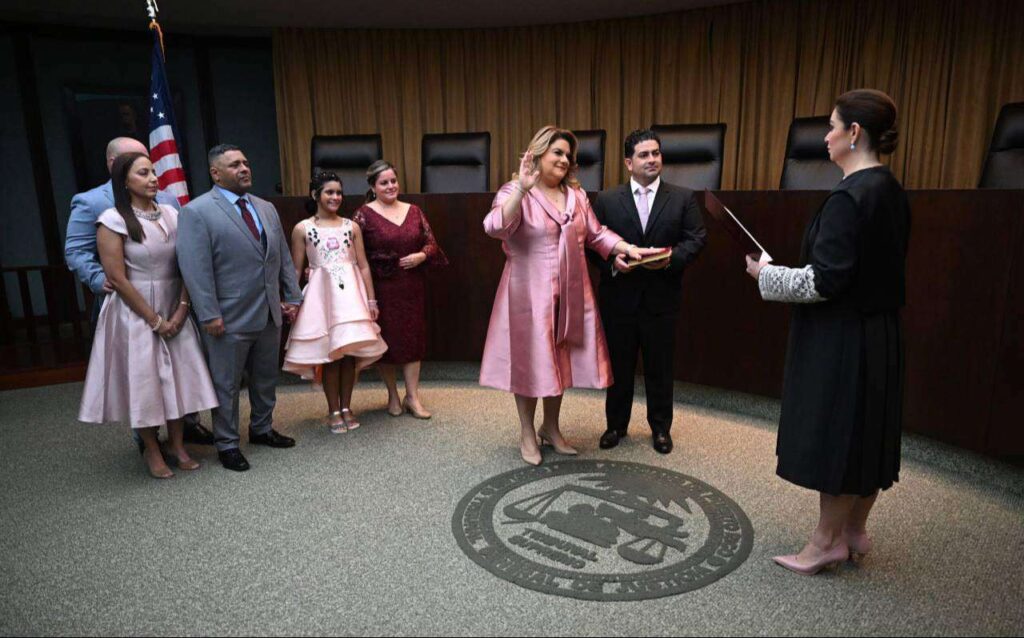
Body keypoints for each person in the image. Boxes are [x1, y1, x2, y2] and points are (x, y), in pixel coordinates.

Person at [745, 89, 910, 575]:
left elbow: (824, 282)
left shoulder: (848, 197)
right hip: (880, 333)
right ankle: (854, 530)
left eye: (832, 126)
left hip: (843, 338)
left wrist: (765, 275)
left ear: (854, 133)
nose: (825, 136)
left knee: (839, 435)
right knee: (868, 433)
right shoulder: (890, 189)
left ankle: (823, 544)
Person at [480, 125, 658, 465]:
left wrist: (626, 247)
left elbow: (596, 234)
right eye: (557, 152)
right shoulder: (516, 190)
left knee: (560, 361)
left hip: (571, 292)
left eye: (568, 155)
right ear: (538, 154)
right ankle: (527, 432)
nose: (564, 159)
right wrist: (522, 189)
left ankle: (550, 427)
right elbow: (494, 227)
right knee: (529, 363)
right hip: (528, 295)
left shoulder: (576, 196)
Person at [65, 136, 215, 448]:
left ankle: (184, 434)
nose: (153, 176)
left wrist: (182, 305)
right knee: (142, 376)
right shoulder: (91, 203)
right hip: (130, 300)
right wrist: (103, 279)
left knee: (180, 371)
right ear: (115, 165)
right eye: (140, 166)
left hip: (173, 298)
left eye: (151, 166)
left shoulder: (170, 204)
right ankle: (148, 444)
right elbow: (76, 251)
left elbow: (185, 255)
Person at [177, 144, 304, 472]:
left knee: (266, 377)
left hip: (269, 312)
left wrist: (293, 296)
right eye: (234, 165)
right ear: (215, 173)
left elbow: (281, 256)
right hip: (227, 317)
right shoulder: (196, 212)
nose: (244, 168)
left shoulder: (265, 207)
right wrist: (208, 313)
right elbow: (195, 269)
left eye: (246, 162)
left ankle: (261, 429)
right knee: (227, 383)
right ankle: (227, 443)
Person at [590, 129, 707, 455]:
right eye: (644, 155)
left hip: (662, 300)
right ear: (629, 162)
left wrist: (671, 259)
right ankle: (616, 425)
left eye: (656, 153)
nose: (652, 159)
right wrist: (613, 263)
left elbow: (697, 238)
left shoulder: (683, 197)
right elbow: (591, 244)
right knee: (619, 368)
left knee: (660, 368)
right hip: (619, 299)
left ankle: (660, 429)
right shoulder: (607, 200)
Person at [283, 171, 387, 433]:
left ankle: (347, 407)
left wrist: (371, 299)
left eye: (339, 192)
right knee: (330, 355)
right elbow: (296, 268)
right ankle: (333, 410)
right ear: (315, 194)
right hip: (321, 298)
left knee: (348, 354)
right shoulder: (303, 228)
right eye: (329, 192)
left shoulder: (351, 227)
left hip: (350, 297)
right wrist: (292, 301)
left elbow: (363, 265)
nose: (335, 197)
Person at [353, 160, 447, 420]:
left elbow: (432, 243)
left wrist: (421, 255)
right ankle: (393, 395)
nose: (390, 186)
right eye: (384, 182)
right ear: (373, 186)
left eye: (393, 181)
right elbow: (353, 252)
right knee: (388, 341)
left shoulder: (414, 210)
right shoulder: (362, 214)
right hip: (381, 288)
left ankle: (412, 397)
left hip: (411, 286)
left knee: (413, 340)